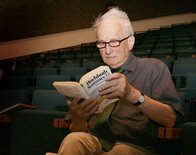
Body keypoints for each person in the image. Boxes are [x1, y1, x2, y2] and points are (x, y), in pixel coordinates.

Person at [46, 7, 183, 155]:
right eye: (102, 43)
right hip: (95, 140)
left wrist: (132, 94)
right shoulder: (93, 77)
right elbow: (77, 129)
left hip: (134, 147)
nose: (107, 50)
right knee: (73, 140)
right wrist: (77, 117)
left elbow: (171, 119)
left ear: (130, 42)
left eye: (114, 42)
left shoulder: (154, 68)